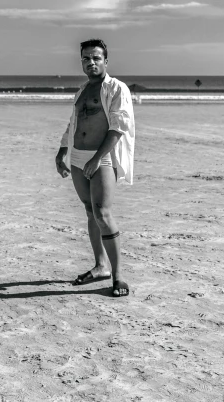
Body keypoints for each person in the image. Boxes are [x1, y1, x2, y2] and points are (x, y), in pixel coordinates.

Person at [55, 39, 135, 298]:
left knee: (103, 213)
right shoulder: (82, 91)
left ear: (106, 61)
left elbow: (118, 127)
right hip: (78, 157)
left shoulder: (116, 88)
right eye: (86, 59)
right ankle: (100, 266)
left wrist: (97, 158)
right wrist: (62, 150)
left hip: (102, 157)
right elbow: (74, 123)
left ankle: (118, 275)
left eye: (96, 58)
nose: (91, 62)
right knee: (90, 211)